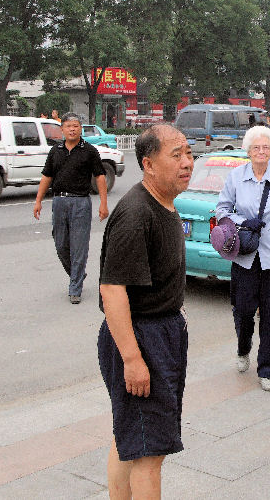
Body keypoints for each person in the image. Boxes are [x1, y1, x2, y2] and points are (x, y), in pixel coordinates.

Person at [96, 124, 194, 499]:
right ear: (148, 164)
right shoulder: (136, 212)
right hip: (140, 338)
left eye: (188, 153)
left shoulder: (165, 202)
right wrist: (133, 359)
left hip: (162, 333)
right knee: (150, 453)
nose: (187, 163)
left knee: (130, 440)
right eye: (176, 155)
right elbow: (112, 289)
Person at [214, 126, 270, 391]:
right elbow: (221, 210)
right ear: (248, 151)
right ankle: (243, 348)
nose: (261, 152)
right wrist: (243, 221)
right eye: (256, 147)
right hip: (244, 257)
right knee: (243, 311)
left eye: (266, 148)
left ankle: (267, 368)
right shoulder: (236, 177)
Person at [34, 112, 109, 304]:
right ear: (62, 129)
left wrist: (103, 203)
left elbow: (100, 176)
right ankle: (77, 274)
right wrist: (38, 200)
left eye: (76, 126)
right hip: (59, 202)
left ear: (80, 128)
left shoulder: (90, 151)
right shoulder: (55, 151)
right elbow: (47, 176)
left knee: (79, 247)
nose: (72, 129)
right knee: (61, 246)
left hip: (81, 203)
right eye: (68, 126)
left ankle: (75, 288)